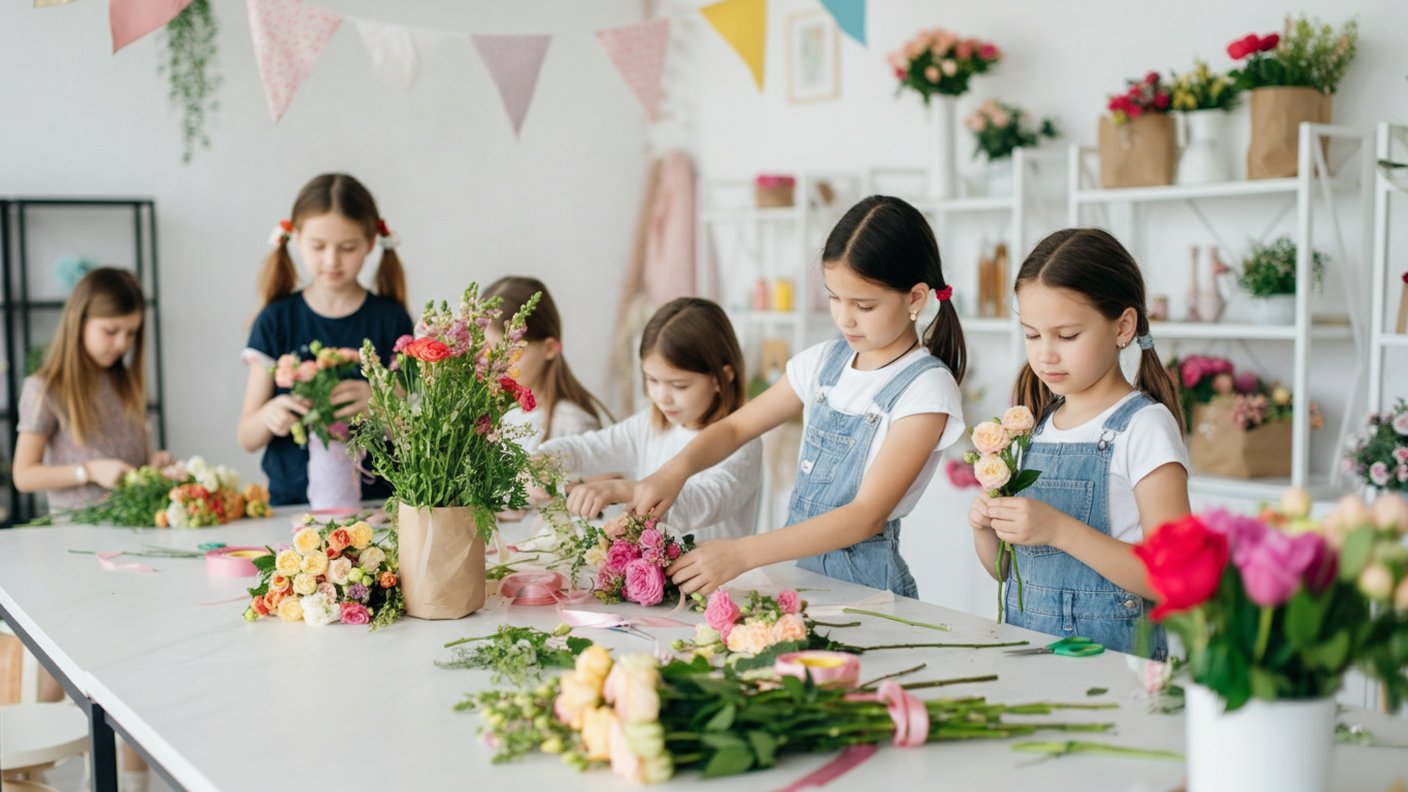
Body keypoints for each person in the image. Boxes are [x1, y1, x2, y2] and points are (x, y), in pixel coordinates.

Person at [631, 196, 967, 596]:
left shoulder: (926, 389)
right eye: (834, 298)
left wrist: (740, 553)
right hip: (798, 579)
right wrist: (676, 470)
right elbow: (737, 427)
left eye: (863, 304)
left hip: (867, 592)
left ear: (915, 298)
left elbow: (865, 516)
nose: (844, 317)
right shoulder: (824, 362)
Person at [969, 228, 1190, 657]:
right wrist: (986, 530)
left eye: (1066, 336)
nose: (1045, 354)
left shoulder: (1144, 427)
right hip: (1029, 656)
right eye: (1032, 335)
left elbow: (1175, 577)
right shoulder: (1036, 425)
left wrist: (1059, 530)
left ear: (1122, 326)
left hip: (1114, 670)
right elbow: (1012, 576)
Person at [236, 173, 412, 506]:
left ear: (371, 244)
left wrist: (380, 405)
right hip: (292, 506)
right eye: (318, 247)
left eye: (347, 248)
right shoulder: (276, 319)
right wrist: (270, 415)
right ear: (297, 240)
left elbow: (412, 434)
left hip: (378, 504)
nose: (331, 260)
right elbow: (246, 436)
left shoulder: (391, 320)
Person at [540, 298, 760, 540]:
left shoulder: (743, 443)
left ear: (721, 378)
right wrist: (542, 460)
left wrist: (621, 489)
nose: (662, 397)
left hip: (720, 576)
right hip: (653, 575)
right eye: (652, 380)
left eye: (679, 385)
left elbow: (701, 503)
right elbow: (588, 448)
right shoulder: (650, 425)